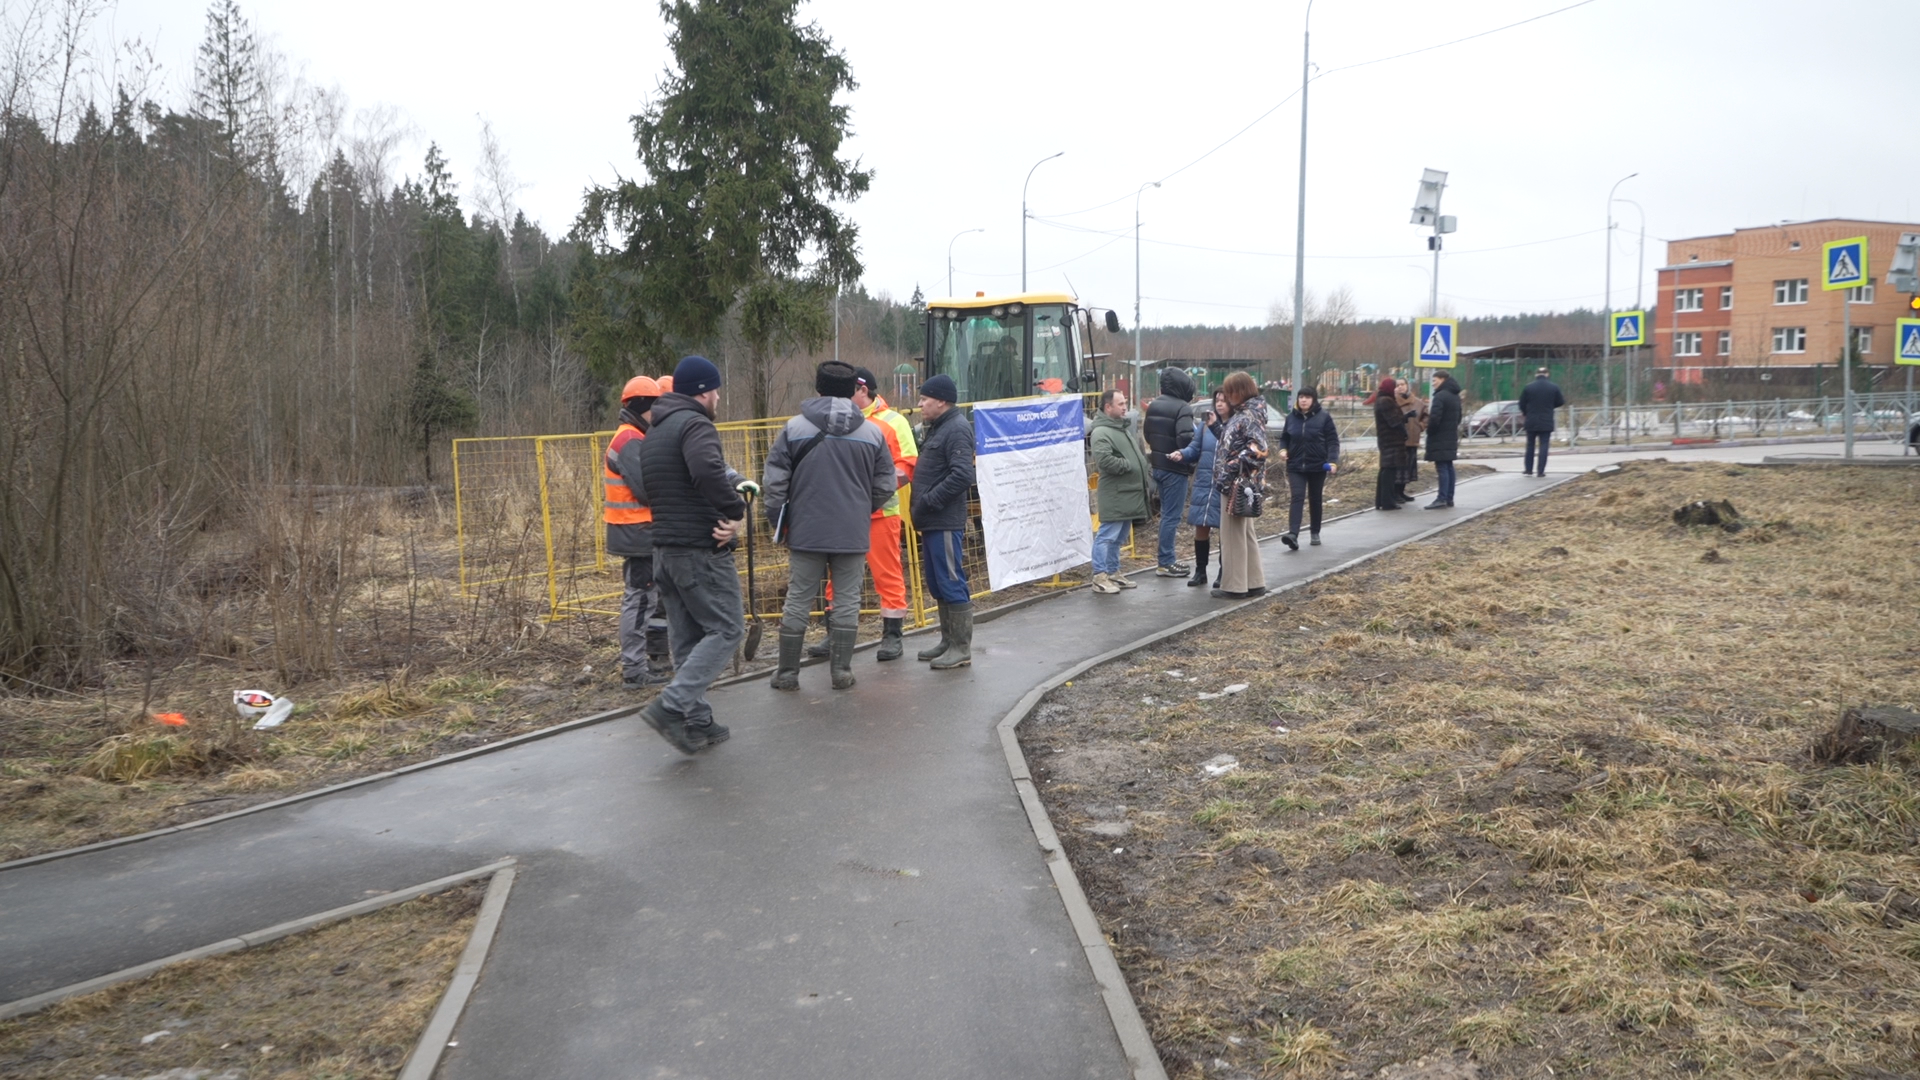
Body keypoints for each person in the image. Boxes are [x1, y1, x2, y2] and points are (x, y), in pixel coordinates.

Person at [638, 355, 758, 755]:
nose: (720, 398)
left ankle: (698, 720)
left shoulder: (656, 430)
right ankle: (671, 707)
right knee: (727, 629)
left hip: (664, 551)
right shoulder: (695, 424)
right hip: (699, 551)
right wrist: (734, 512)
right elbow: (707, 469)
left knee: (687, 637)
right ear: (703, 391)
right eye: (717, 390)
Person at [763, 362, 895, 692]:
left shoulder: (793, 429)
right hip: (852, 531)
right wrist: (862, 508)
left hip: (806, 531)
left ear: (818, 389)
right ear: (853, 391)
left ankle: (788, 673)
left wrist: (780, 519)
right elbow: (885, 483)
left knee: (798, 599)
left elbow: (774, 484)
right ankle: (841, 672)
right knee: (848, 600)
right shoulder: (872, 433)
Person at [604, 375, 668, 689]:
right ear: (643, 406)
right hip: (637, 532)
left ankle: (638, 666)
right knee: (640, 600)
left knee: (644, 598)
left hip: (635, 531)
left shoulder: (631, 436)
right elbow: (646, 489)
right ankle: (634, 670)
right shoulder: (629, 440)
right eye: (655, 406)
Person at [909, 375, 976, 669]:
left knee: (950, 581)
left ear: (941, 401)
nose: (920, 404)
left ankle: (961, 648)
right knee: (938, 583)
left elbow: (962, 475)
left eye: (924, 399)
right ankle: (948, 641)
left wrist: (929, 500)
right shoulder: (938, 428)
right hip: (932, 520)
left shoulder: (957, 429)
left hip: (944, 520)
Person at [1212, 372, 1269, 600]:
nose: (1226, 395)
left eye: (1229, 391)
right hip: (1243, 482)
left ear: (1239, 391)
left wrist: (1229, 470)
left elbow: (1257, 449)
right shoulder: (1249, 413)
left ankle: (1235, 586)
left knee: (1233, 536)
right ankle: (1254, 582)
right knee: (1245, 534)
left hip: (1236, 483)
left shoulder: (1247, 416)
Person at [1088, 389, 1151, 596]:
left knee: (1119, 536)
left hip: (1127, 493)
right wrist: (1128, 465)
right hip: (1116, 494)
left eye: (1125, 403)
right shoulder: (1101, 432)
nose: (1125, 407)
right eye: (1121, 404)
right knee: (1107, 536)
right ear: (1108, 407)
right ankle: (1100, 576)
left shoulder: (1119, 428)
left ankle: (1113, 572)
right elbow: (1104, 461)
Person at [1167, 389, 1226, 587]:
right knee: (1201, 526)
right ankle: (1200, 571)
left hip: (1224, 484)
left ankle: (1224, 572)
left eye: (1224, 401)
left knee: (1225, 529)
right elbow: (1195, 448)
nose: (1219, 404)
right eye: (1217, 400)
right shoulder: (1205, 425)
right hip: (1204, 481)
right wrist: (1182, 454)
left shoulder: (1235, 425)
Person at [1141, 366, 1197, 578]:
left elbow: (1148, 434)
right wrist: (1190, 460)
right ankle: (1166, 562)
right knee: (1171, 517)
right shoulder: (1183, 407)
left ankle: (1165, 560)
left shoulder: (1154, 405)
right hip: (1175, 468)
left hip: (1158, 466)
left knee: (1166, 515)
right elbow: (1185, 438)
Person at [1277, 386, 1339, 550]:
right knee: (1297, 496)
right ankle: (1293, 535)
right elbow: (1284, 438)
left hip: (1317, 465)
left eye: (1307, 397)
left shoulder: (1324, 417)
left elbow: (1332, 441)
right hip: (1295, 465)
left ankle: (1315, 532)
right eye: (1301, 397)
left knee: (1315, 498)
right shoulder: (1291, 418)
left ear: (1314, 400)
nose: (1303, 400)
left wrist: (1332, 461)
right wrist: (1283, 450)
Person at [1367, 377, 1408, 511]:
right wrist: (1404, 431)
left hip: (1386, 440)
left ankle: (1381, 501)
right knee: (1389, 472)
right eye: (1395, 386)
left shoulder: (1382, 400)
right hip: (1392, 440)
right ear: (1389, 388)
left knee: (1385, 470)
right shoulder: (1387, 401)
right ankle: (1387, 502)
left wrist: (1405, 418)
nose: (1397, 389)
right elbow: (1394, 421)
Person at [1423, 372, 1462, 508]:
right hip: (1451, 435)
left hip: (1439, 437)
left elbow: (1434, 419)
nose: (1433, 383)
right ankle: (1449, 497)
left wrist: (1430, 431)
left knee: (1442, 468)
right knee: (1449, 466)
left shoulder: (1440, 396)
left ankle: (1441, 498)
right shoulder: (1455, 396)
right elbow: (1459, 418)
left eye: (1435, 380)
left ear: (1443, 379)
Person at [1518, 366, 1566, 477]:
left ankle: (1528, 469)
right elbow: (1561, 402)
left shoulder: (1528, 388)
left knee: (1530, 445)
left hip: (1531, 420)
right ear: (1547, 374)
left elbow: (1521, 403)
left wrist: (1527, 412)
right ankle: (1541, 471)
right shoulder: (1554, 387)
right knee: (1544, 445)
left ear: (1536, 375)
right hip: (1546, 420)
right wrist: (1550, 406)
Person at [1395, 379, 1427, 503]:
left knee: (1407, 469)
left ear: (1407, 386)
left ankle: (1402, 492)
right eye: (1397, 385)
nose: (1400, 387)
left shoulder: (1418, 402)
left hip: (1413, 440)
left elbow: (1427, 416)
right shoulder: (1393, 402)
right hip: (1399, 441)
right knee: (1399, 469)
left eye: (1402, 384)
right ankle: (1395, 492)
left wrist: (1421, 426)